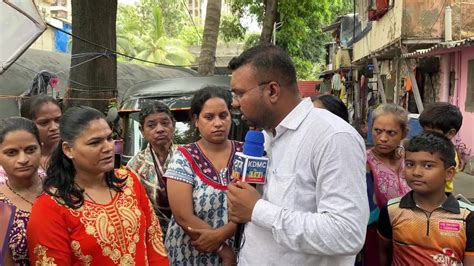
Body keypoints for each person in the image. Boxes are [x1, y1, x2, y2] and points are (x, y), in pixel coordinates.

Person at [227, 44, 368, 265]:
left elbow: (347, 233)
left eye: (240, 94)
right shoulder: (263, 137)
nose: (234, 103)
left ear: (272, 91)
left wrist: (257, 209)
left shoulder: (333, 137)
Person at [27, 106, 169, 265]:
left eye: (109, 138)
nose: (108, 147)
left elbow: (153, 238)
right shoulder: (50, 207)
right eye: (95, 142)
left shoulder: (129, 181)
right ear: (68, 149)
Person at [164, 86, 243, 265]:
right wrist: (223, 251)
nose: (218, 123)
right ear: (196, 120)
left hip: (240, 252)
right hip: (191, 251)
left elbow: (254, 205)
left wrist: (222, 236)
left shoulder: (245, 154)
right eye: (209, 117)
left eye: (223, 115)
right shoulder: (183, 157)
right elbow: (184, 216)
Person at [378, 132, 474, 265]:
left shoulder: (467, 217)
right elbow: (383, 254)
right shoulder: (391, 210)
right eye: (410, 164)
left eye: (428, 165)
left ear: (449, 173)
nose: (416, 172)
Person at [127, 101, 177, 238]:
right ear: (142, 131)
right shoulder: (134, 166)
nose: (159, 129)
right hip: (152, 235)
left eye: (165, 123)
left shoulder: (188, 157)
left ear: (173, 125)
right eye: (151, 125)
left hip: (187, 233)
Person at [0, 117, 44, 265]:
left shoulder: (62, 188)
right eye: (11, 152)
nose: (23, 159)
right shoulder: (1, 207)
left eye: (30, 150)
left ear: (41, 148)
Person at [0, 96, 61, 185]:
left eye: (58, 120)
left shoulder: (73, 156)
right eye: (44, 122)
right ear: (28, 124)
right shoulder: (4, 173)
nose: (54, 127)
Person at [419, 102, 463, 193]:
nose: (426, 136)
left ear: (451, 133)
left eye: (432, 133)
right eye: (424, 131)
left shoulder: (446, 154)